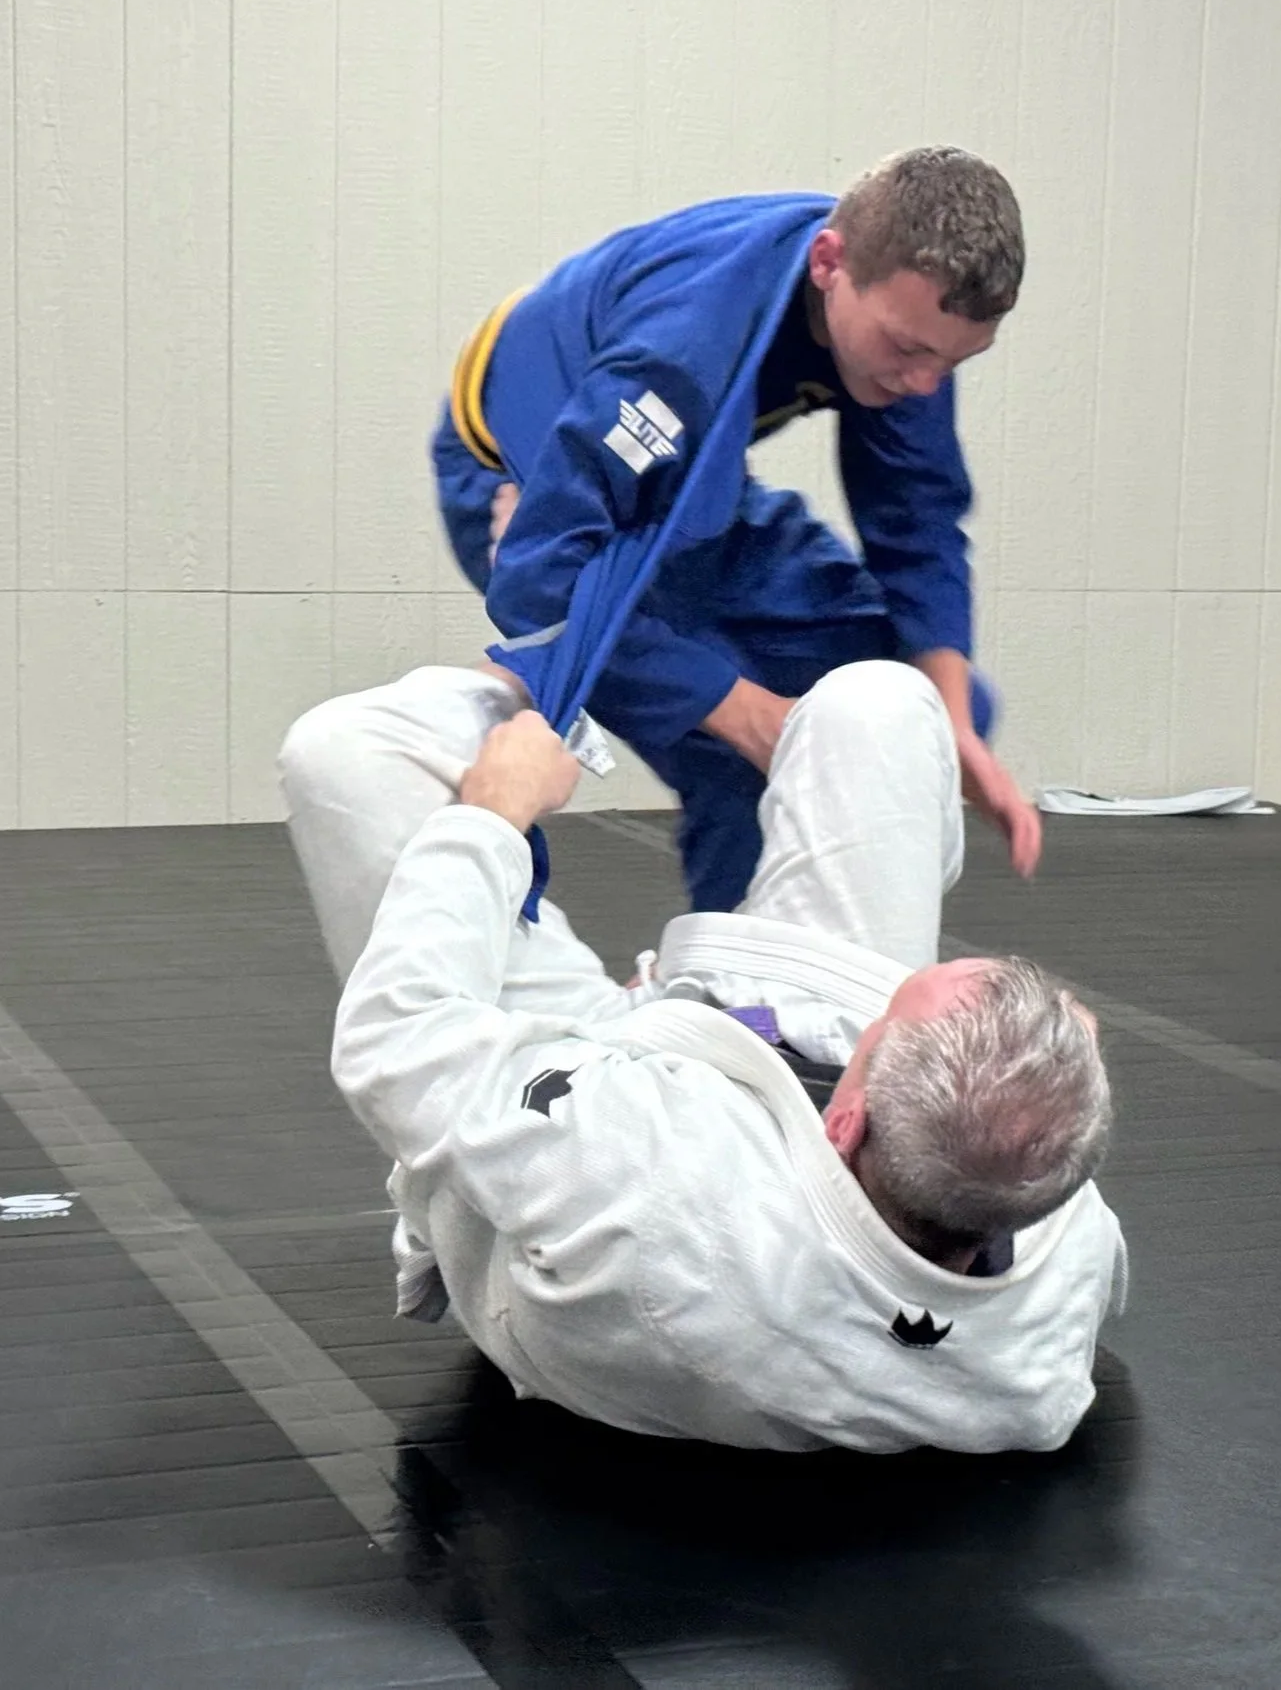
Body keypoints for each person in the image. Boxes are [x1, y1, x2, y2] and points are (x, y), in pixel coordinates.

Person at [280, 658, 1127, 1455]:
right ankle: (742, 771)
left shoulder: (643, 1176)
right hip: (759, 1059)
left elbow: (399, 1043)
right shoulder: (1050, 1256)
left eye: (884, 1019)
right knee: (878, 704)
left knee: (343, 752)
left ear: (844, 1114)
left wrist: (493, 817)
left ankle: (520, 709)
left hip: (607, 1083)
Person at [430, 145, 1042, 915]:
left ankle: (776, 966)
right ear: (828, 262)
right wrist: (752, 715)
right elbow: (540, 576)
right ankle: (729, 994)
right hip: (532, 476)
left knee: (912, 711)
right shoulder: (686, 347)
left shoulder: (907, 317)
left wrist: (951, 723)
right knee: (742, 754)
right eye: (909, 351)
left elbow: (916, 516)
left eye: (953, 363)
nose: (923, 383)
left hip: (691, 482)